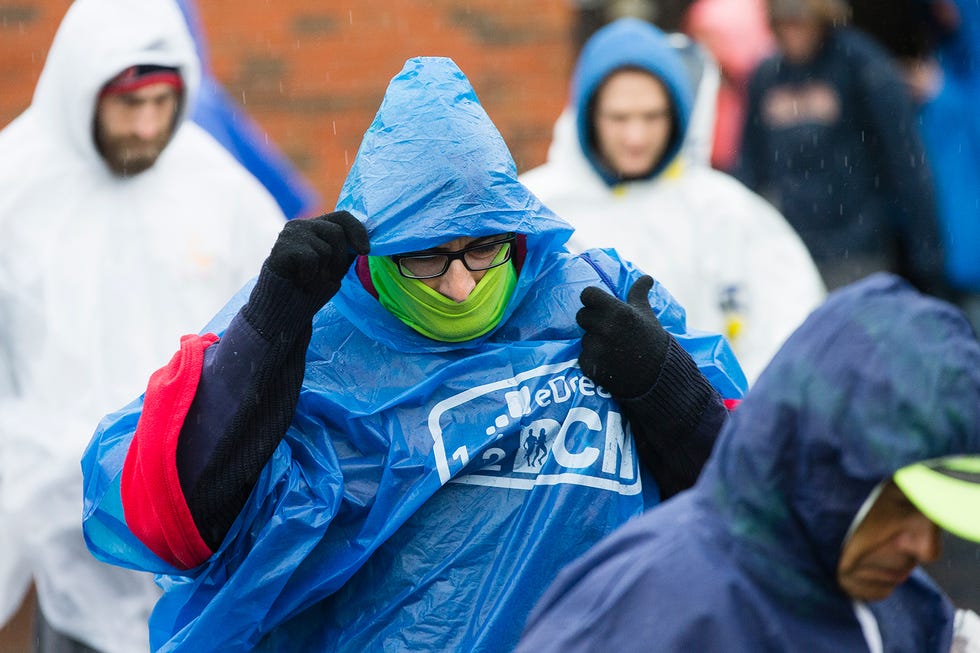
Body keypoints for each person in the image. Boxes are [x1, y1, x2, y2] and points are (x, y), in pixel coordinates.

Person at [80, 56, 747, 652]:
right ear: (380, 250)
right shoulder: (324, 348)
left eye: (482, 248)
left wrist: (666, 389)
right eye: (428, 257)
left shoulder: (593, 304)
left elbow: (746, 506)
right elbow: (176, 520)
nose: (460, 284)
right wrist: (267, 338)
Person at [0, 0, 286, 651]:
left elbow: (278, 325)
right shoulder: (13, 189)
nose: (148, 125)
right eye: (130, 104)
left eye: (163, 102)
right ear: (83, 91)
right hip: (62, 539)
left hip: (195, 530)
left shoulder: (216, 186)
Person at [516, 272, 980, 652]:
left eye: (934, 511)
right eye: (900, 504)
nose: (928, 549)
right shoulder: (644, 615)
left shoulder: (891, 594)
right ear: (822, 467)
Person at [520, 18, 825, 383]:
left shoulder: (725, 209)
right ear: (588, 115)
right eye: (619, 118)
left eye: (652, 116)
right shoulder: (538, 210)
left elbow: (791, 329)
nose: (636, 136)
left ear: (677, 115)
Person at [736, 0, 948, 298]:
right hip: (790, 251)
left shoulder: (862, 65)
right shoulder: (768, 75)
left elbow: (906, 160)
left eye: (800, 20)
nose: (792, 30)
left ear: (822, 17)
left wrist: (927, 257)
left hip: (859, 250)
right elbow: (749, 168)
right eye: (783, 21)